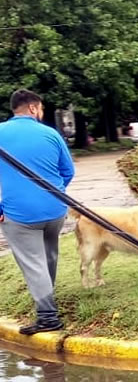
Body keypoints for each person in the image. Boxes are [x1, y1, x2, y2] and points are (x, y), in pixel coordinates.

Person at [0, 89, 75, 335]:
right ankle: (47, 299)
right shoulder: (51, 134)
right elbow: (68, 171)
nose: (41, 113)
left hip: (18, 213)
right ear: (33, 108)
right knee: (49, 255)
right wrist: (53, 193)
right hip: (55, 209)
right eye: (41, 109)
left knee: (34, 263)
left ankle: (47, 316)